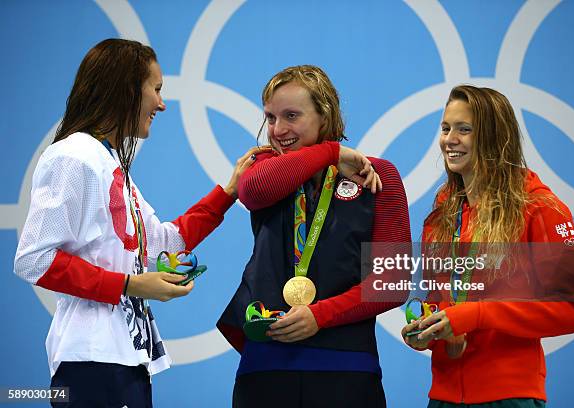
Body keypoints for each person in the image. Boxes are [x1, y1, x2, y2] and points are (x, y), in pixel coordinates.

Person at [14, 38, 266, 408]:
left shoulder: (108, 161)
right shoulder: (73, 157)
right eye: (157, 89)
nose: (162, 104)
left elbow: (164, 244)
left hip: (125, 356)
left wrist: (229, 192)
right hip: (91, 360)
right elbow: (33, 259)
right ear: (129, 89)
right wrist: (131, 284)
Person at [217, 65, 411, 407]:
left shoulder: (378, 174)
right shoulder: (264, 167)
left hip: (347, 365)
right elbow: (253, 191)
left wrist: (320, 315)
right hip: (266, 366)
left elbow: (391, 281)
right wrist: (331, 152)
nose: (278, 130)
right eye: (271, 118)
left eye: (291, 116)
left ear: (325, 115)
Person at [401, 85, 574, 407]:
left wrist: (476, 315)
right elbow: (442, 299)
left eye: (465, 129)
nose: (450, 140)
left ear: (495, 137)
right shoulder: (444, 210)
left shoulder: (540, 207)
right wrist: (430, 329)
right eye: (446, 128)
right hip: (443, 395)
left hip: (508, 395)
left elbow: (571, 310)